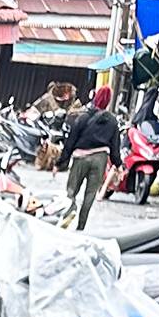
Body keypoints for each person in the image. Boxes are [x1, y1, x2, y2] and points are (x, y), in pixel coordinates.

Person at [59, 86, 122, 230]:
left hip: (81, 158)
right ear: (108, 101)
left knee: (71, 191)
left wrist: (61, 162)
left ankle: (67, 216)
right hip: (100, 159)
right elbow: (115, 147)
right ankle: (81, 227)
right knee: (90, 195)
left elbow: (71, 141)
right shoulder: (112, 121)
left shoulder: (83, 117)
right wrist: (119, 165)